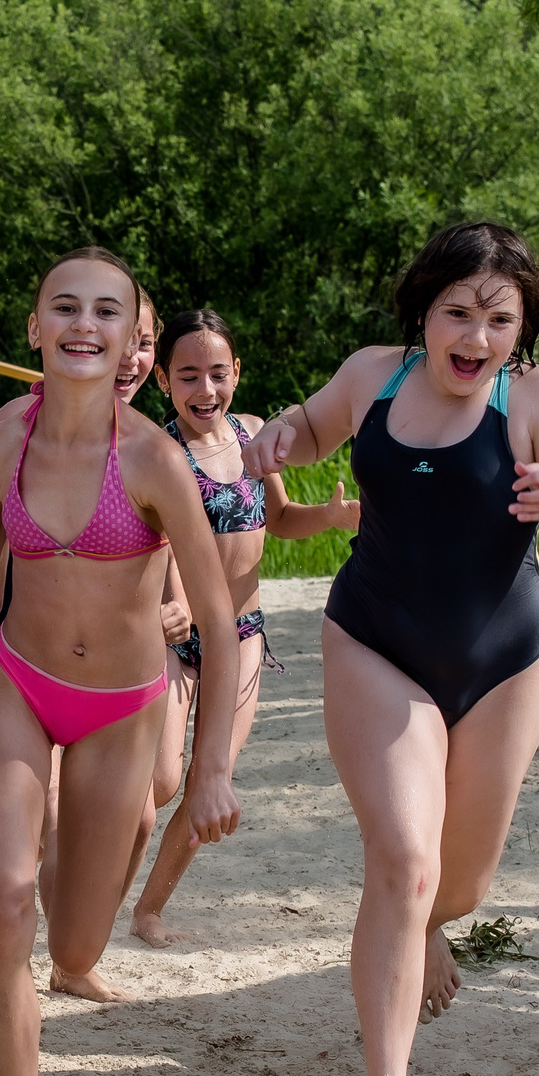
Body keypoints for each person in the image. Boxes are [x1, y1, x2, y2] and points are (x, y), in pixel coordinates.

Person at [240, 221, 539, 1076]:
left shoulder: (536, 399)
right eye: (457, 311)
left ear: (521, 326)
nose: (476, 335)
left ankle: (429, 925)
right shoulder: (375, 374)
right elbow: (305, 429)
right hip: (378, 638)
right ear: (426, 311)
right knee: (405, 860)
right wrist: (281, 437)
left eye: (498, 317)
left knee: (460, 880)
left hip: (504, 656)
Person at [0, 248, 240, 1076]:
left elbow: (217, 622)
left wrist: (211, 766)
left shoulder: (153, 459)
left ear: (132, 337)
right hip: (17, 685)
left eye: (106, 312)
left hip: (123, 711)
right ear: (35, 326)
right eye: (65, 308)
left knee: (73, 946)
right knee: (10, 911)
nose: (83, 326)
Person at [0, 296, 163, 930]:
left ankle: (53, 924)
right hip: (28, 663)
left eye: (143, 340)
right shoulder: (21, 423)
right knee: (50, 806)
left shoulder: (146, 445)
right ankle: (56, 953)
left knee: (141, 814)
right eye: (121, 334)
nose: (130, 355)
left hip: (121, 678)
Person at [129, 308, 360, 948]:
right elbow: (161, 539)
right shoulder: (158, 449)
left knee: (212, 781)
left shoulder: (254, 434)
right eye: (188, 376)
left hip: (244, 633)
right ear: (164, 383)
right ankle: (94, 876)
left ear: (238, 373)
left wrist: (335, 517)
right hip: (176, 635)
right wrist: (171, 605)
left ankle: (148, 910)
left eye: (218, 373)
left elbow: (281, 519)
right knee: (162, 780)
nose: (205, 390)